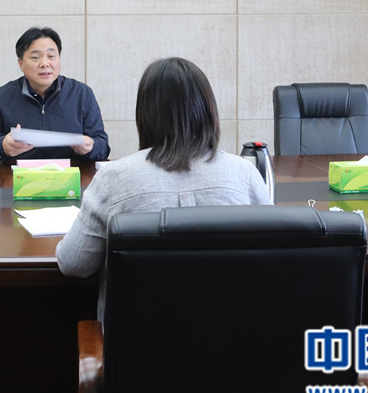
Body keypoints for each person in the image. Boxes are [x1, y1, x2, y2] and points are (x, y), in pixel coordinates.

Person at [55, 57, 270, 318]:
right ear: (208, 111)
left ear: (146, 115)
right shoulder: (244, 174)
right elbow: (270, 260)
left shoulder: (113, 178)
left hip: (135, 341)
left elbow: (73, 264)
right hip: (231, 336)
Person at [0, 26, 110, 161]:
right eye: (35, 57)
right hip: (18, 175)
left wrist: (90, 147)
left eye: (51, 56)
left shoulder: (81, 94)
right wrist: (2, 146)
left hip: (71, 174)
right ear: (21, 63)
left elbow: (103, 148)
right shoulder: (1, 97)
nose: (45, 63)